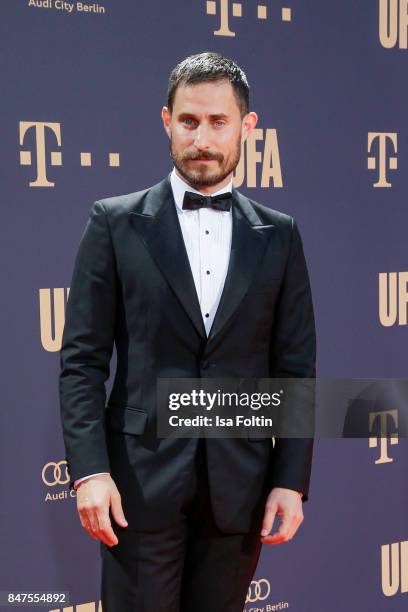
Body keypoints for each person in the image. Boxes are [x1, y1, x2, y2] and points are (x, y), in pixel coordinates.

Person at [59, 51, 316, 612]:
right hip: (136, 489)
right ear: (167, 122)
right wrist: (89, 472)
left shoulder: (279, 235)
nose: (202, 138)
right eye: (189, 121)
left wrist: (290, 479)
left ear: (246, 127)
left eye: (218, 122)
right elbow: (81, 361)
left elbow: (294, 370)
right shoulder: (114, 222)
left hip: (238, 492)